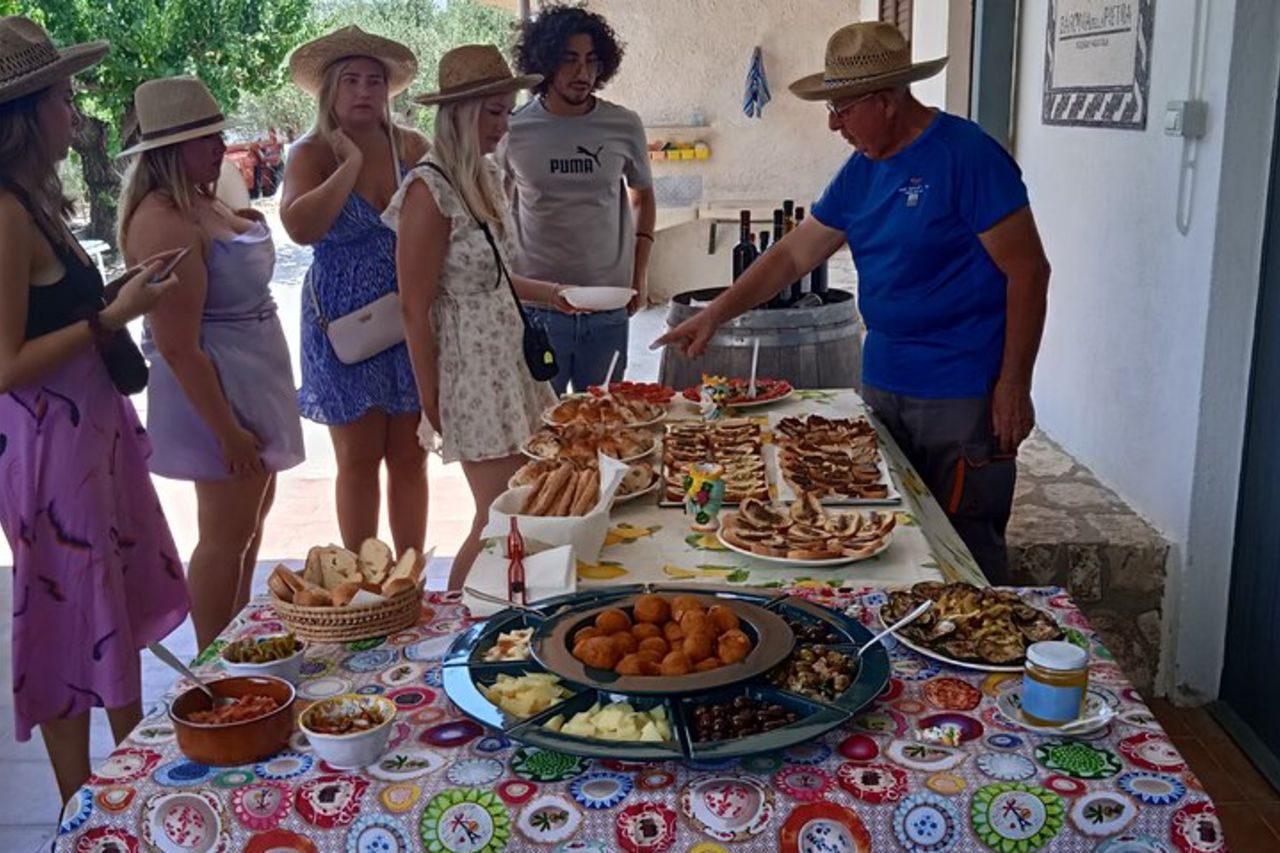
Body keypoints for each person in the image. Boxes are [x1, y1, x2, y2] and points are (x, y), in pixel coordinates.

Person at [657, 22, 1051, 583]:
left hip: (962, 390)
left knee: (966, 548)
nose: (833, 123)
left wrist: (1015, 382)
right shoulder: (862, 170)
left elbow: (1029, 272)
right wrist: (716, 314)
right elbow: (793, 256)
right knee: (885, 534)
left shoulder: (968, 156)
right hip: (886, 380)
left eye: (843, 108)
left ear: (888, 101)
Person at [0, 17, 190, 803]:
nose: (72, 111)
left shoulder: (31, 202)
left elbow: (54, 320)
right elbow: (5, 363)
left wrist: (118, 293)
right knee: (70, 609)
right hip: (51, 450)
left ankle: (123, 786)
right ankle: (91, 803)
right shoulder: (6, 213)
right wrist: (110, 318)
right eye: (63, 96)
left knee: (102, 601)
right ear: (27, 113)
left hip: (86, 438)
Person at [385, 45, 588, 590]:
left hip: (509, 361)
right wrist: (430, 398)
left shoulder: (487, 174)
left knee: (521, 508)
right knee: (496, 516)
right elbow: (413, 303)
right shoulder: (428, 190)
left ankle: (503, 615)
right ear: (460, 114)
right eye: (492, 112)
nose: (503, 124)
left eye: (506, 110)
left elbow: (491, 278)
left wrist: (552, 293)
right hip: (471, 371)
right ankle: (456, 630)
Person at [118, 76, 305, 650]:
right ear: (172, 150)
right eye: (207, 138)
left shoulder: (199, 201)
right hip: (217, 391)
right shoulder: (163, 220)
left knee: (249, 522)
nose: (220, 146)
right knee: (224, 535)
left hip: (250, 378)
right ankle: (214, 659)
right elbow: (176, 345)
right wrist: (226, 431)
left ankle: (235, 642)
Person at [281, 27, 431, 556]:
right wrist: (347, 166)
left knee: (410, 455)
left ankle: (408, 573)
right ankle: (367, 577)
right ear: (330, 90)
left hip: (408, 310)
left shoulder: (410, 145)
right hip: (343, 319)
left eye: (374, 81)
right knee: (358, 459)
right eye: (352, 81)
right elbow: (301, 228)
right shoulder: (311, 151)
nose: (364, 91)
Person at [501, 3, 656, 394]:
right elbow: (496, 211)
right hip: (539, 309)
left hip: (608, 304)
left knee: (604, 428)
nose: (582, 72)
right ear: (545, 63)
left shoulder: (623, 125)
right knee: (544, 431)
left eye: (591, 60)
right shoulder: (513, 130)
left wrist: (639, 274)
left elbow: (642, 197)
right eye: (569, 60)